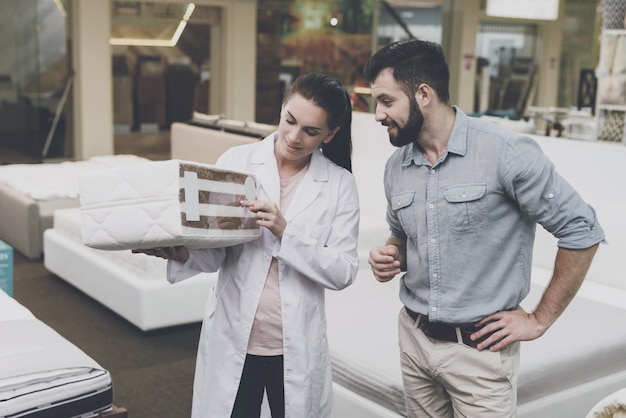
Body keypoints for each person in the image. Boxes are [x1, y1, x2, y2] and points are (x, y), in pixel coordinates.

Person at [364, 39, 606, 417]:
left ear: (423, 94)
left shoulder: (506, 153)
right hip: (414, 339)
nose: (377, 114)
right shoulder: (397, 166)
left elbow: (582, 229)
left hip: (480, 354)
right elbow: (402, 235)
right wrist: (391, 253)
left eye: (386, 101)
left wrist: (540, 319)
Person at [133, 72, 359, 417]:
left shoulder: (339, 184)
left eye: (310, 131)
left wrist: (286, 231)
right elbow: (216, 253)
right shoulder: (237, 163)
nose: (294, 137)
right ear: (282, 109)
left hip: (294, 344)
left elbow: (343, 270)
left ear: (330, 134)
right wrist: (178, 252)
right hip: (235, 334)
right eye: (290, 121)